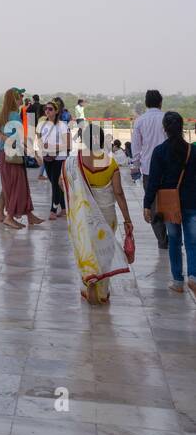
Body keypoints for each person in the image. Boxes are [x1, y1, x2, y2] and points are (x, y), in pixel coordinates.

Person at [62, 122, 132, 305]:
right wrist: (127, 219)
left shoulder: (73, 161)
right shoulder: (110, 162)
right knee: (105, 251)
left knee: (88, 248)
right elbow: (118, 192)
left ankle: (89, 279)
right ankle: (102, 292)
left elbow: (63, 185)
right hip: (107, 214)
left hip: (85, 215)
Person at [143, 111, 196, 294]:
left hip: (169, 203)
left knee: (174, 240)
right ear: (181, 128)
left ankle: (177, 281)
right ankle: (193, 276)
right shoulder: (192, 150)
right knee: (192, 241)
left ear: (164, 129)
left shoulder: (159, 151)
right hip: (191, 201)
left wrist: (147, 204)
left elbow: (154, 181)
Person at [0, 87, 43, 229]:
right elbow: (20, 139)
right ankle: (9, 217)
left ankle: (26, 215)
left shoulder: (2, 115)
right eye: (20, 96)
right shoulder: (14, 116)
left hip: (5, 154)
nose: (22, 99)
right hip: (14, 155)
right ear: (14, 99)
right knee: (18, 186)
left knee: (8, 184)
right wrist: (34, 154)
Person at [132, 90, 169, 251]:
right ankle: (173, 236)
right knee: (170, 201)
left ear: (146, 103)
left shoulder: (140, 121)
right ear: (160, 102)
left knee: (152, 205)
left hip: (148, 169)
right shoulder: (167, 118)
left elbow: (136, 147)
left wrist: (135, 164)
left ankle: (162, 240)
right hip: (168, 168)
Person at [38, 98, 69, 219]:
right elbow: (40, 140)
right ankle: (64, 208)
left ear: (56, 111)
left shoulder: (62, 126)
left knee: (55, 184)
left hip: (59, 157)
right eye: (46, 109)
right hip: (47, 157)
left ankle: (53, 210)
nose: (47, 111)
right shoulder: (43, 124)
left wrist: (53, 147)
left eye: (50, 109)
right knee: (54, 182)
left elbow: (67, 144)